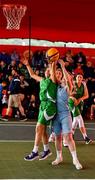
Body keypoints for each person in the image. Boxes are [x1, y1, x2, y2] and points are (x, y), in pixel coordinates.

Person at [23, 53, 57, 161]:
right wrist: (28, 65)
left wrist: (52, 62)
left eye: (49, 70)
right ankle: (46, 150)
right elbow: (32, 75)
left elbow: (52, 70)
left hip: (50, 106)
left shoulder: (53, 80)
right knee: (42, 130)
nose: (47, 71)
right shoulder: (42, 80)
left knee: (38, 127)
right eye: (46, 70)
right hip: (42, 106)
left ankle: (35, 151)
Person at [52, 59, 82, 170]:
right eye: (58, 73)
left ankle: (75, 159)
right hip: (55, 116)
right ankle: (59, 157)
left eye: (61, 74)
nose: (60, 75)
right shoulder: (53, 86)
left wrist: (63, 67)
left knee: (68, 137)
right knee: (57, 137)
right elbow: (50, 75)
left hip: (65, 114)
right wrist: (53, 64)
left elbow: (69, 80)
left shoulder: (67, 87)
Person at [68, 74, 92, 144]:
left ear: (82, 79)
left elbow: (87, 95)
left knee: (76, 120)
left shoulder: (83, 84)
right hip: (72, 102)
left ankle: (71, 134)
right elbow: (68, 94)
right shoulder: (72, 83)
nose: (79, 78)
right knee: (79, 118)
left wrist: (80, 99)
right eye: (78, 77)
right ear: (76, 78)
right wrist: (73, 98)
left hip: (79, 102)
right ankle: (85, 137)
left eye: (81, 77)